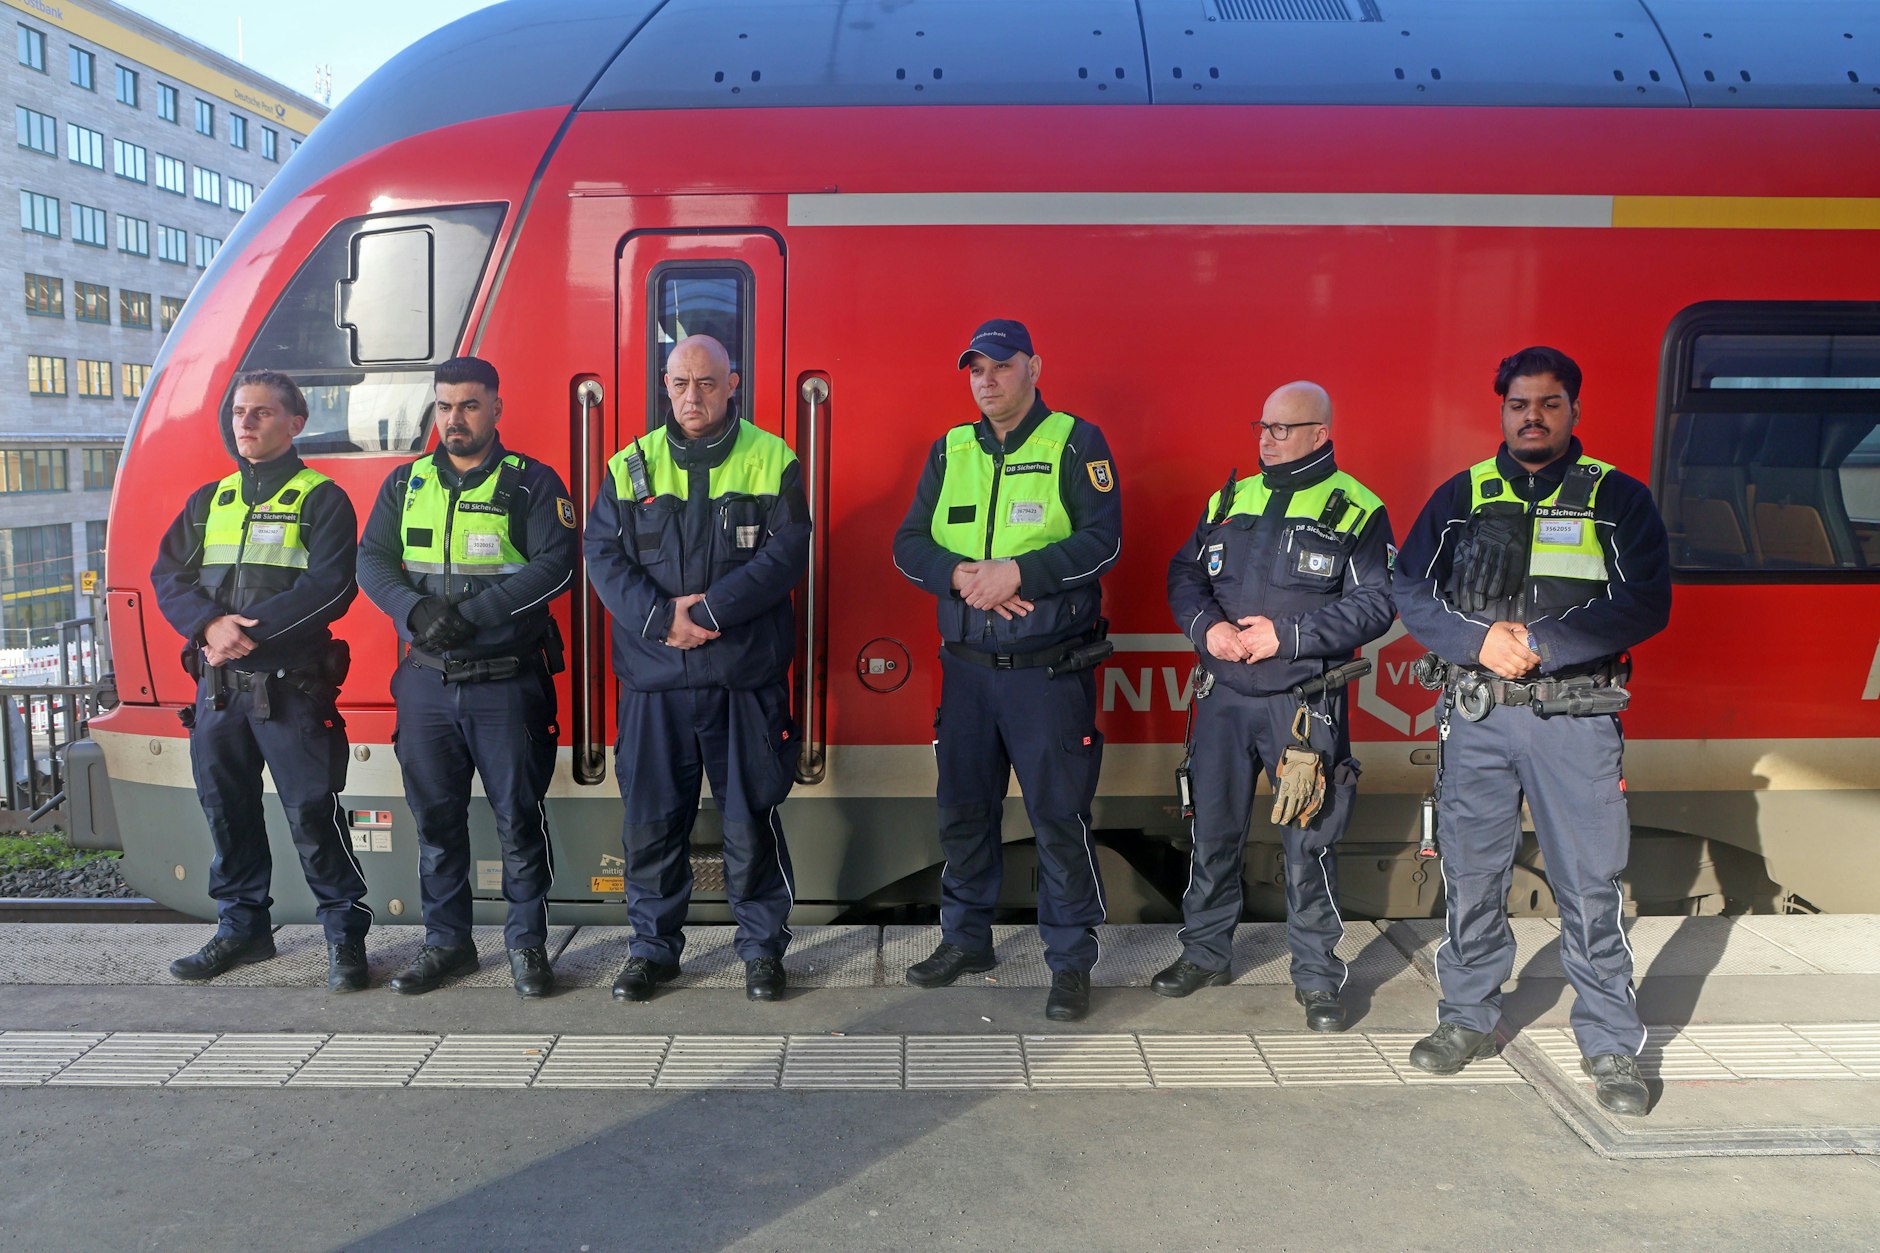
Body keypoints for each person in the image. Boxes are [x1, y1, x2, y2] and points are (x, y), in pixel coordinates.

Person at [1394, 346, 1670, 1116]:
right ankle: (1466, 1017)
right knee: (1473, 876)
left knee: (1590, 885)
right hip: (1477, 719)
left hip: (1574, 720)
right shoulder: (1462, 495)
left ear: (1573, 410)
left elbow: (1646, 601)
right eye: (1519, 404)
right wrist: (1476, 643)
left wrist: (1542, 644)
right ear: (1503, 411)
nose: (1532, 417)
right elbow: (1408, 589)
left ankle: (1610, 1041)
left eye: (1548, 404)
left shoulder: (1619, 498)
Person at [892, 319, 1121, 1023]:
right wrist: (962, 575)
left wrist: (1020, 572)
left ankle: (1071, 961)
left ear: (1033, 366)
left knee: (1058, 817)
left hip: (1046, 676)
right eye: (975, 370)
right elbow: (907, 543)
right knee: (963, 812)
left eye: (1000, 366)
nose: (986, 380)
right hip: (965, 673)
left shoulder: (1076, 443)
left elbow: (1103, 540)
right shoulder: (950, 449)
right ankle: (966, 940)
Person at [1160, 382, 1395, 1030]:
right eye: (1262, 426)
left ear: (1321, 433)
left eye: (1282, 429)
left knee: (1308, 845)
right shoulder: (1229, 498)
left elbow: (1378, 601)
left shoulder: (1357, 509)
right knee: (1212, 834)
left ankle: (1318, 979)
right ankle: (1204, 953)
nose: (1267, 439)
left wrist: (1287, 637)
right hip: (1224, 701)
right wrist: (1206, 627)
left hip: (1302, 707)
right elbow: (1185, 574)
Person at [585, 334, 809, 1004]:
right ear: (665, 383)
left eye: (707, 383)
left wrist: (708, 610)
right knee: (651, 825)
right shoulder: (630, 466)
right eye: (680, 383)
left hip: (742, 679)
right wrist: (661, 620)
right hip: (656, 681)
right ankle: (652, 952)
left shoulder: (774, 459)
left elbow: (788, 552)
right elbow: (601, 553)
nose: (692, 396)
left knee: (751, 821)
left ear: (732, 383)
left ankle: (763, 952)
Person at [356, 356, 577, 998]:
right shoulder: (406, 483)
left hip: (505, 683)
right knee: (436, 823)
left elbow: (557, 564)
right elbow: (372, 560)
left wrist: (475, 614)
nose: (455, 418)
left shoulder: (532, 484)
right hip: (425, 683)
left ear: (496, 410)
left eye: (470, 405)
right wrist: (414, 608)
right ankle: (447, 945)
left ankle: (527, 947)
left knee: (517, 818)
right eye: (445, 405)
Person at [151, 370, 370, 990]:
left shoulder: (321, 498)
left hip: (290, 688)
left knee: (312, 812)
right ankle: (243, 929)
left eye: (261, 413)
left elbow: (330, 586)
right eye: (239, 412)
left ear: (295, 424)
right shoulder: (210, 499)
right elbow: (168, 576)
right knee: (227, 811)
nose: (244, 423)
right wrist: (207, 626)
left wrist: (244, 632)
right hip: (219, 694)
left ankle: (344, 936)